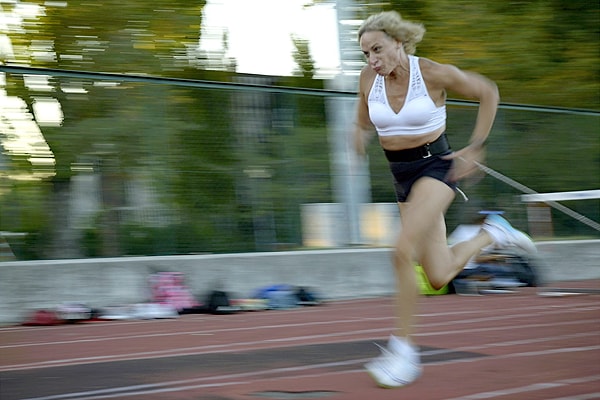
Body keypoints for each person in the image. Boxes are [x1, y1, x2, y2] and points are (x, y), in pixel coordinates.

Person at [353, 11, 536, 388]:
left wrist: (476, 145)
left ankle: (403, 352)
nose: (372, 59)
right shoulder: (368, 79)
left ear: (398, 42)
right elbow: (363, 119)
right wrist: (357, 134)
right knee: (437, 276)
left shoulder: (432, 73)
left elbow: (488, 91)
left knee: (401, 251)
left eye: (377, 49)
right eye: (366, 53)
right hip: (401, 176)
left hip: (437, 168)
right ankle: (492, 234)